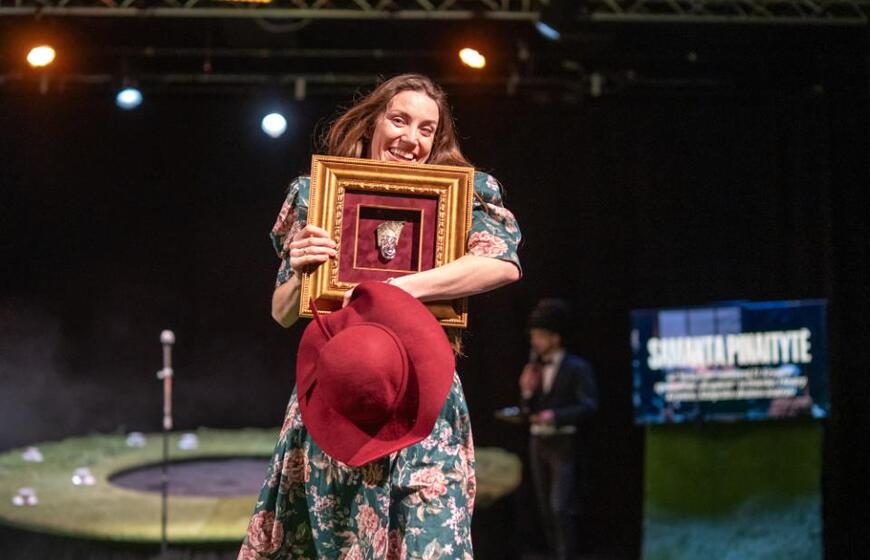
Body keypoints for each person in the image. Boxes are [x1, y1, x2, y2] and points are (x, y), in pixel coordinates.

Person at [239, 74, 522, 560]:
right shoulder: (317, 195)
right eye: (400, 120)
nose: (412, 138)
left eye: (427, 129)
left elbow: (502, 264)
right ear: (373, 123)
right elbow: (282, 312)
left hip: (422, 399)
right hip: (340, 396)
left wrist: (396, 292)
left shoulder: (462, 196)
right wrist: (303, 269)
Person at [518, 299, 598, 560]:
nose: (534, 341)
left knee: (561, 506)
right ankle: (555, 554)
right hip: (538, 442)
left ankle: (567, 555)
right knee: (544, 508)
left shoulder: (577, 368)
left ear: (554, 338)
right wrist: (526, 391)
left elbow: (589, 405)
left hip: (563, 442)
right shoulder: (535, 368)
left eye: (539, 336)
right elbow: (528, 409)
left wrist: (556, 416)